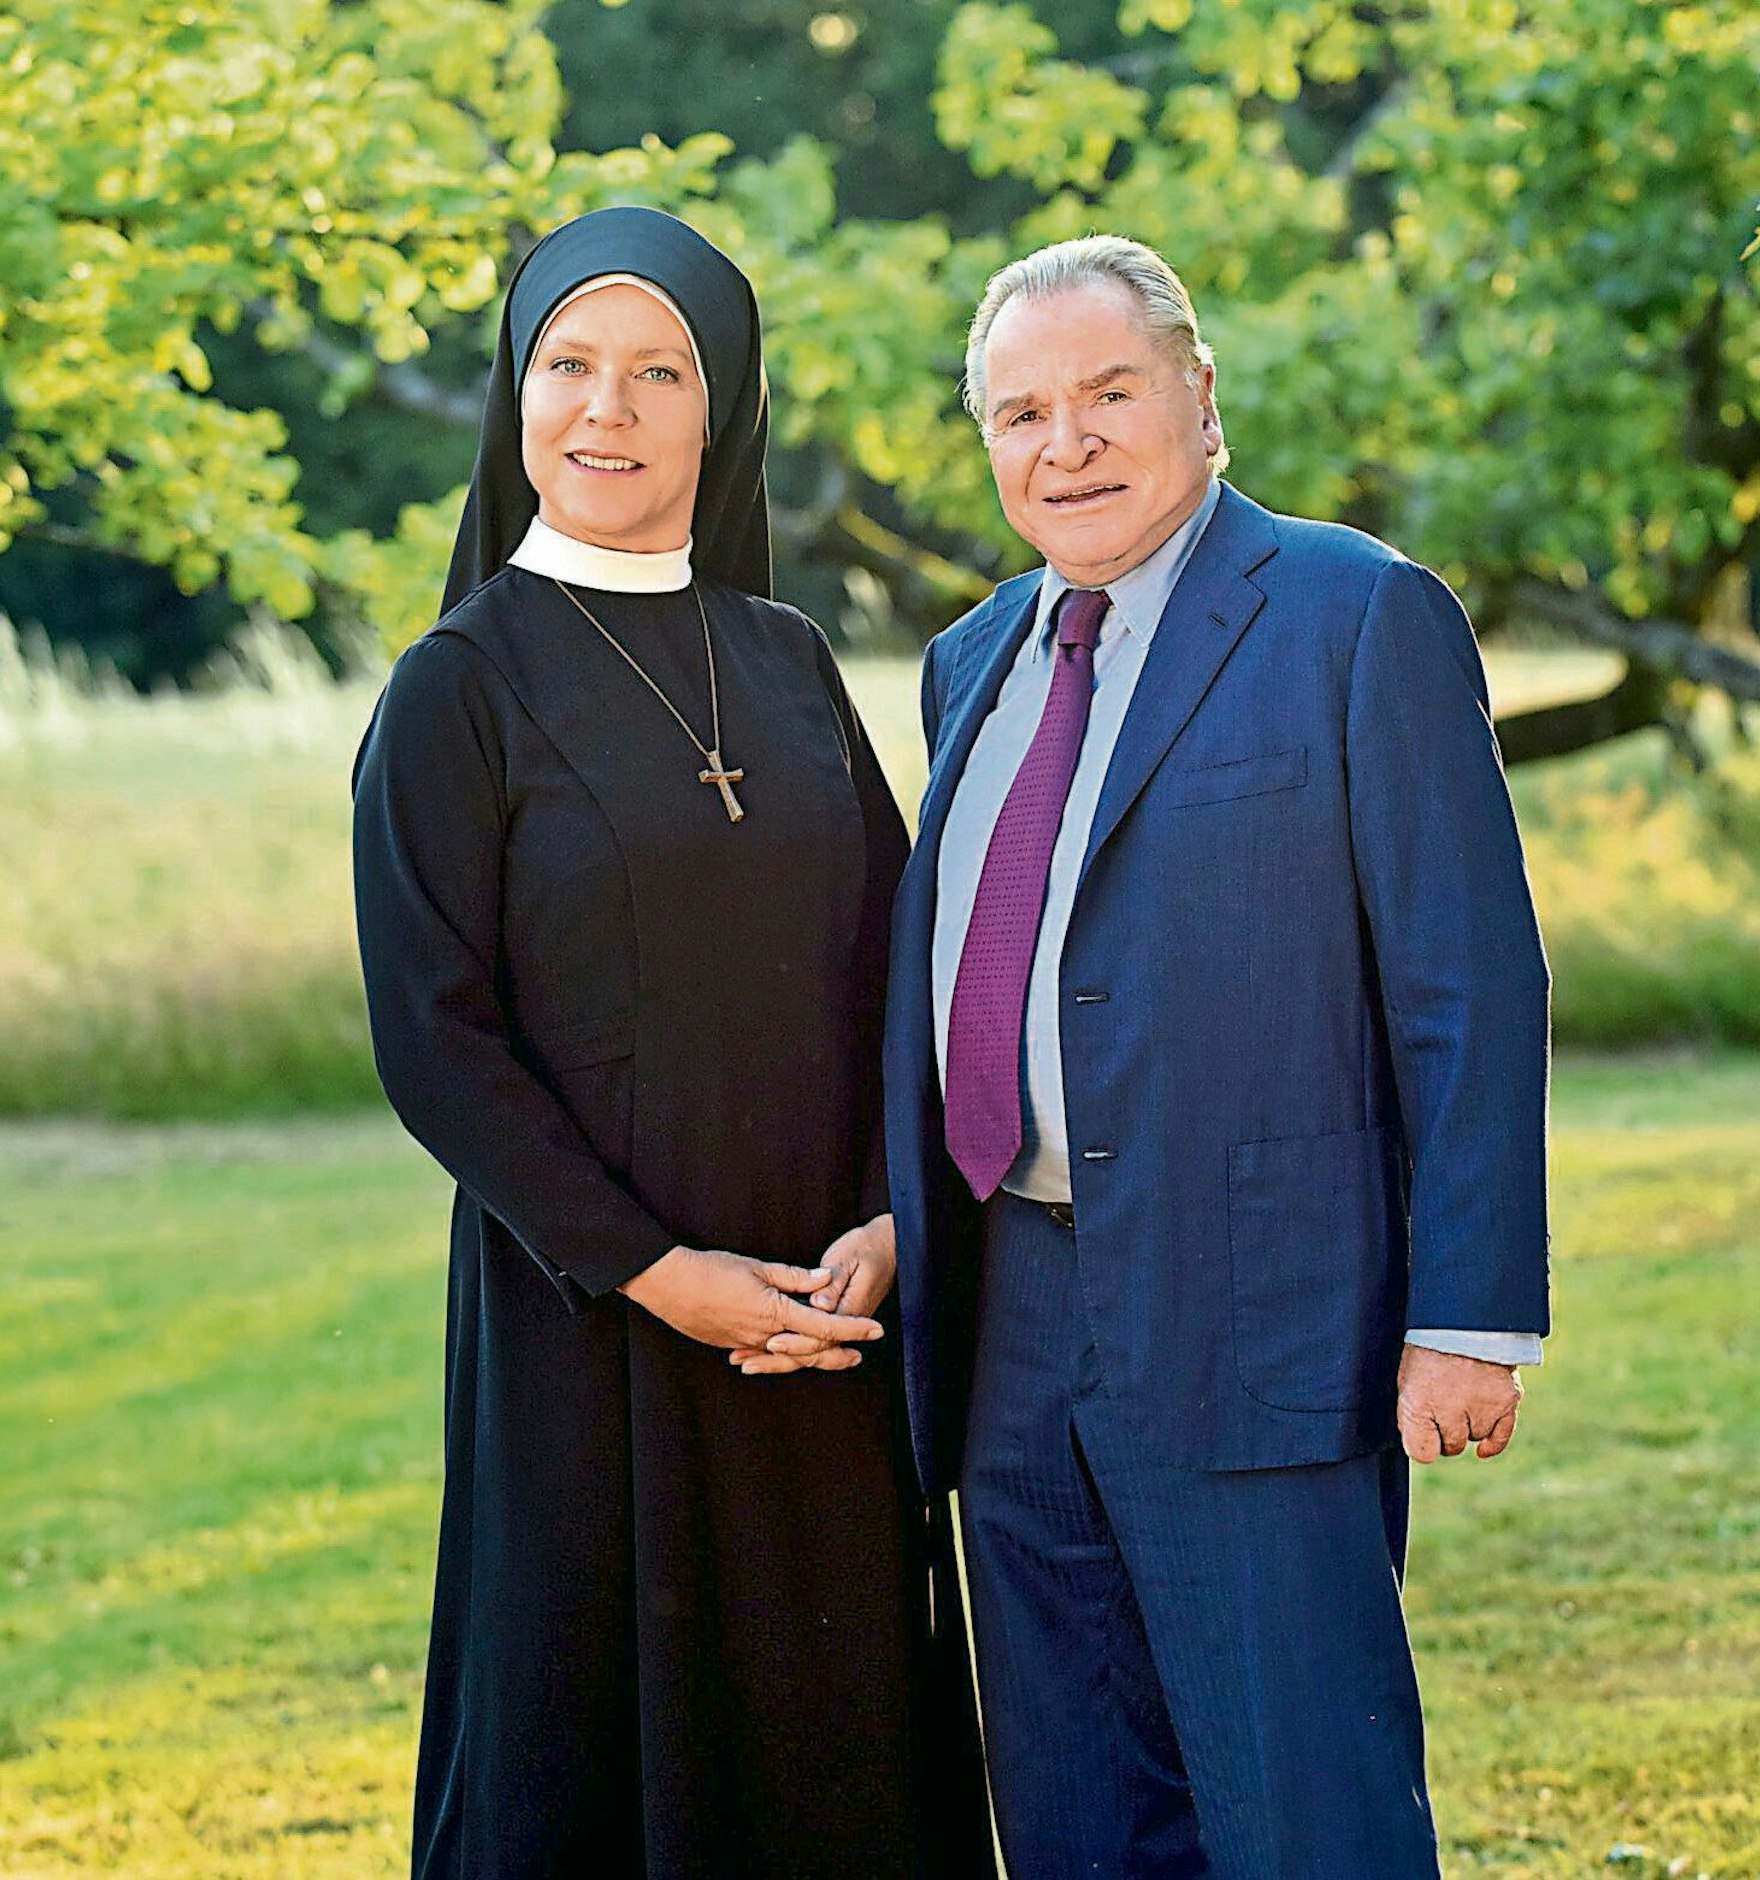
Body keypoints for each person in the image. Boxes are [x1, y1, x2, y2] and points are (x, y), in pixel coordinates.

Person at [879, 236, 1553, 1877]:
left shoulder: (1357, 615)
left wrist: (1469, 1317)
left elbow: (1468, 988)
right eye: (1023, 412)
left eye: (1110, 393)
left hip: (1262, 1310)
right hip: (1012, 1322)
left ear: (1200, 396)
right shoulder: (970, 663)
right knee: (1075, 1815)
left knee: (1305, 1808)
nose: (1069, 442)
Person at [352, 206, 991, 1880]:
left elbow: (897, 970)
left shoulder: (785, 663)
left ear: (728, 412)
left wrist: (883, 1223)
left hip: (822, 1309)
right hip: (591, 1327)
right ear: (516, 396)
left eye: (657, 372)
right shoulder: (456, 687)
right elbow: (437, 1041)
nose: (606, 412)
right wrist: (649, 1269)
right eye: (567, 365)